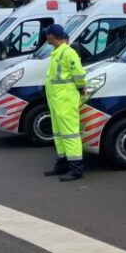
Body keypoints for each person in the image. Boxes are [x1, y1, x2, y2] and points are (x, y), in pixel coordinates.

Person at [42, 24, 87, 182]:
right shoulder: (57, 52)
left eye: (47, 34)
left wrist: (81, 88)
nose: (45, 37)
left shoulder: (68, 52)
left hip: (65, 100)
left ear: (51, 36)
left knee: (70, 134)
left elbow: (79, 74)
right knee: (59, 134)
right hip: (57, 101)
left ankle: (76, 169)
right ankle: (62, 164)